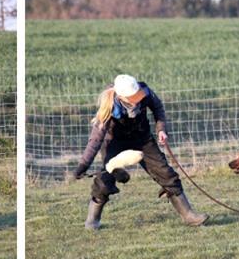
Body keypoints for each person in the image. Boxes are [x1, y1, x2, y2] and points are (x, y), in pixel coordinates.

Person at [73, 73, 207, 230]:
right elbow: (95, 140)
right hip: (114, 143)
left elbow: (158, 108)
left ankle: (189, 216)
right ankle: (92, 221)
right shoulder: (108, 108)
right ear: (122, 97)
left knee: (166, 173)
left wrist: (161, 129)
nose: (138, 98)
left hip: (142, 139)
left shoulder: (145, 91)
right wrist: (82, 166)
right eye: (133, 97)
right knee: (104, 182)